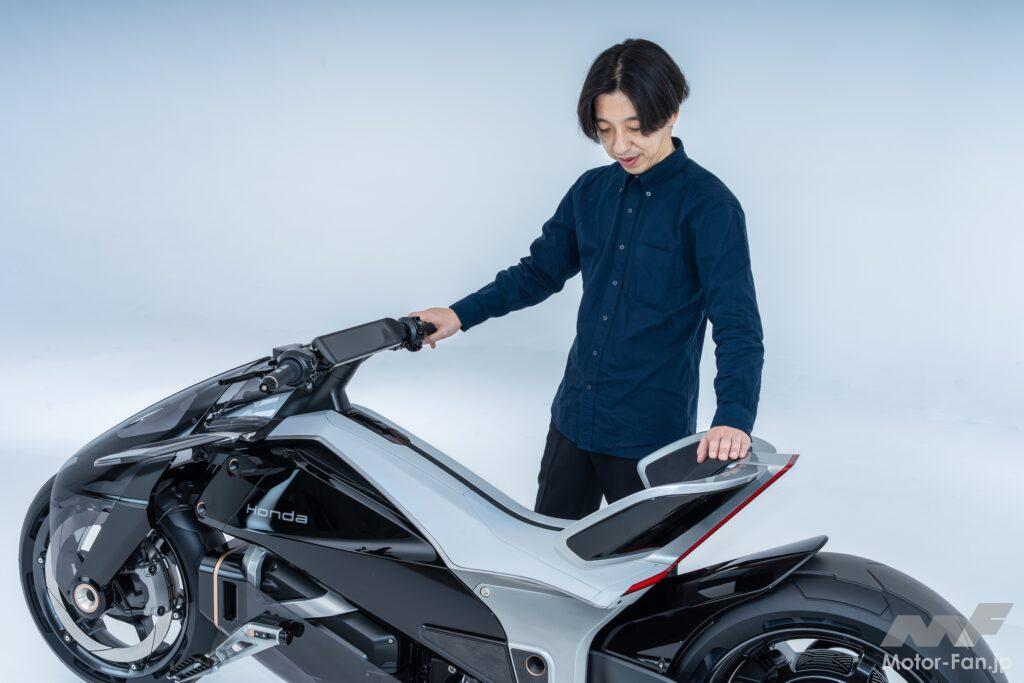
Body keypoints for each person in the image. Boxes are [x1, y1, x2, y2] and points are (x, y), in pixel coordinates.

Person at [411, 38, 764, 521]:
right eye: (605, 130)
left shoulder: (710, 206)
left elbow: (737, 323)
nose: (620, 146)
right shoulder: (590, 191)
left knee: (641, 564)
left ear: (672, 113)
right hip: (574, 420)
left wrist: (733, 419)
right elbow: (537, 273)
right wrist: (458, 314)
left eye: (635, 128)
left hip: (648, 436)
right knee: (546, 548)